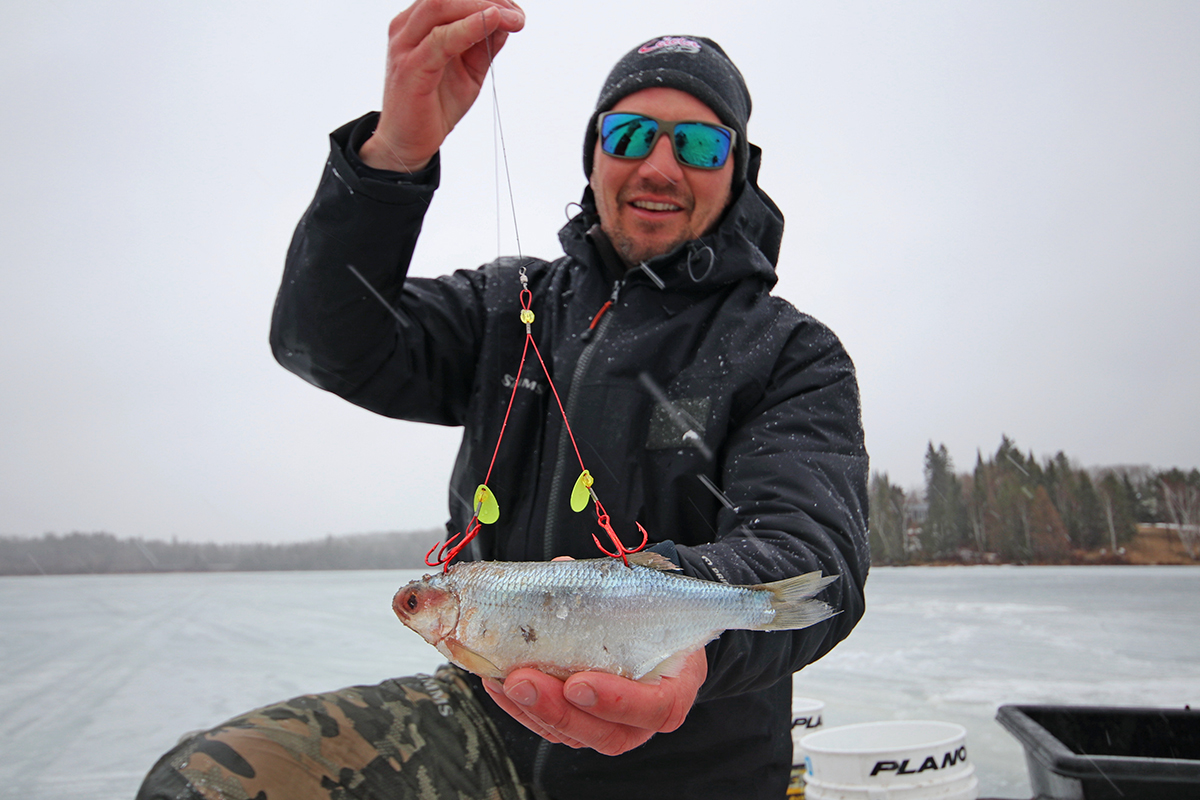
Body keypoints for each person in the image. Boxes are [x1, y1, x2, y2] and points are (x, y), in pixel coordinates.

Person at [138, 2, 869, 799]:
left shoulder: (794, 355)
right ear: (594, 153)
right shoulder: (507, 307)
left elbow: (812, 550)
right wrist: (394, 155)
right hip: (486, 723)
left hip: (692, 762)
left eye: (697, 143)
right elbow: (325, 339)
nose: (659, 166)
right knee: (204, 782)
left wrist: (684, 633)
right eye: (628, 135)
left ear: (739, 169)